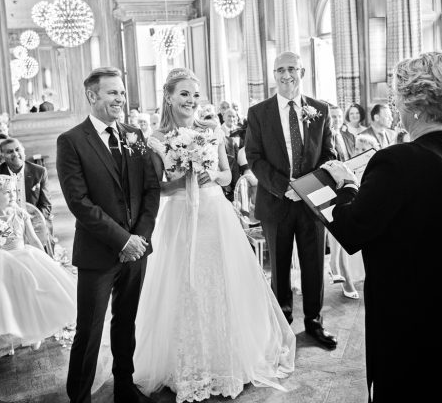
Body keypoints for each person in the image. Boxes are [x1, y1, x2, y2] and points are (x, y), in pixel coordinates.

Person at [323, 51, 442, 403]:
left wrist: (341, 187)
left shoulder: (397, 160)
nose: (395, 105)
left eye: (397, 97)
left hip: (417, 313)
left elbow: (353, 229)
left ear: (414, 105)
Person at [134, 68, 295, 401]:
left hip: (213, 215)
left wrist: (209, 175)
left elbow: (226, 176)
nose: (191, 101)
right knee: (185, 286)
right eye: (183, 94)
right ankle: (188, 364)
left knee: (221, 283)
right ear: (169, 96)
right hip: (180, 216)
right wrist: (182, 180)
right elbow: (157, 188)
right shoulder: (156, 139)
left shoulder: (212, 131)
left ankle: (229, 360)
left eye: (195, 94)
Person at [57, 66, 161, 403]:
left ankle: (124, 386)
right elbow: (79, 202)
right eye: (112, 92)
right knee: (89, 331)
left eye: (121, 92)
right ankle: (80, 396)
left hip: (136, 249)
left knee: (126, 321)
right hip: (98, 252)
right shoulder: (72, 141)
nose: (120, 98)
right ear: (92, 95)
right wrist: (122, 240)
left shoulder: (135, 136)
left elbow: (150, 191)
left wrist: (140, 238)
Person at [244, 51, 338, 349]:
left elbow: (329, 155)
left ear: (303, 71)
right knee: (280, 266)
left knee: (314, 265)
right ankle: (283, 323)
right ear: (274, 75)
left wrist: (307, 187)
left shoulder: (319, 109)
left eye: (292, 69)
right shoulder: (259, 112)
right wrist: (284, 186)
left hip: (311, 202)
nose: (286, 75)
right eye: (280, 70)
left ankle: (314, 322)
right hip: (276, 201)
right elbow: (254, 157)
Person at [0, 175, 77, 349]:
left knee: (33, 290)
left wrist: (47, 260)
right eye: (7, 192)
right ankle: (17, 331)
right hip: (3, 261)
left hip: (25, 255)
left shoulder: (20, 213)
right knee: (10, 296)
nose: (13, 195)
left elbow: (33, 239)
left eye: (14, 191)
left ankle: (36, 330)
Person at [326, 105, 364, 299]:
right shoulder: (327, 137)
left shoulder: (346, 135)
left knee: (342, 238)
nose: (337, 119)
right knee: (338, 234)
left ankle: (340, 270)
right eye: (333, 116)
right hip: (334, 188)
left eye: (339, 115)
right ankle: (338, 270)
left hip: (348, 183)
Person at [0, 138, 51, 218]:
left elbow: (46, 205)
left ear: (23, 150)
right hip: (6, 222)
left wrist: (33, 219)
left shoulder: (39, 172)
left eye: (17, 149)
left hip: (34, 221)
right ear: (2, 155)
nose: (15, 154)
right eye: (10, 152)